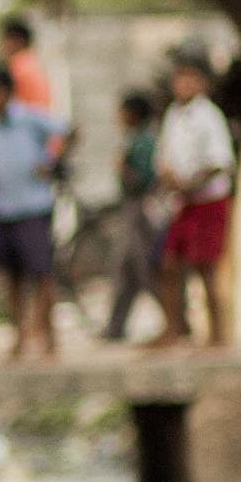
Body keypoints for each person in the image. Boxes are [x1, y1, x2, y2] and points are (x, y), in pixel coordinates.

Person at [0, 66, 70, 359]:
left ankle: (48, 337)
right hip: (3, 207)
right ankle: (20, 336)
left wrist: (51, 163)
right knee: (11, 277)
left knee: (41, 273)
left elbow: (67, 130)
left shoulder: (29, 118)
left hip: (33, 205)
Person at [152, 53, 236, 348]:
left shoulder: (208, 116)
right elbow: (164, 158)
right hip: (182, 203)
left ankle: (218, 335)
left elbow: (221, 162)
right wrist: (169, 178)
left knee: (206, 266)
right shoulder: (173, 115)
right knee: (170, 263)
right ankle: (173, 329)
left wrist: (190, 183)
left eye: (191, 78)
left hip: (207, 200)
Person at [103, 91, 162, 342]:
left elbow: (144, 179)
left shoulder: (143, 142)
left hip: (140, 209)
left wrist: (123, 168)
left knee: (144, 266)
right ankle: (115, 326)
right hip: (131, 209)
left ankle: (175, 318)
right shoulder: (134, 139)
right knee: (126, 269)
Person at [1, 17, 53, 113]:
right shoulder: (34, 62)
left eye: (5, 40)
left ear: (18, 40)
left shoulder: (17, 65)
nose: (3, 46)